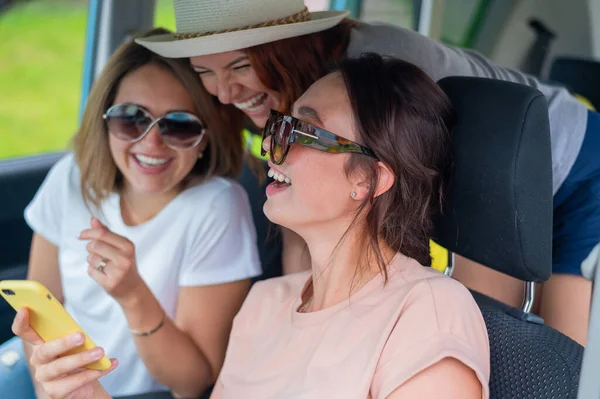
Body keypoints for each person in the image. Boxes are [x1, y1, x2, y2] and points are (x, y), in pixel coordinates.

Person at [12, 53, 491, 399]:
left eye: (299, 132)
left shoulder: (428, 311)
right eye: (277, 127)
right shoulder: (268, 302)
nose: (268, 148)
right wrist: (84, 393)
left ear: (368, 178)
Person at [135, 0, 599, 345]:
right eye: (204, 72)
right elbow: (309, 218)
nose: (224, 92)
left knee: (549, 347)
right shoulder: (298, 100)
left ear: (287, 49)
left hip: (574, 165)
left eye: (239, 66)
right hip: (468, 177)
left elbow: (464, 213)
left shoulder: (379, 78)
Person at [2, 27, 261, 399]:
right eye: (131, 118)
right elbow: (40, 308)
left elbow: (192, 382)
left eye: (179, 126)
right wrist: (49, 387)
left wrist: (133, 295)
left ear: (206, 138)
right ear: (104, 121)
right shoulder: (70, 178)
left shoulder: (217, 207)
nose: (151, 142)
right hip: (46, 374)